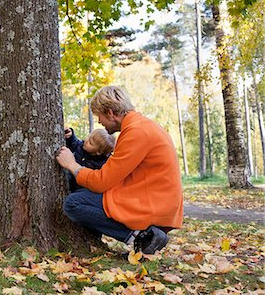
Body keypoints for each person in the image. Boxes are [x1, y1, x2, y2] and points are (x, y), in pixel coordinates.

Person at [56, 86, 183, 254]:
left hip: (151, 204)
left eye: (99, 116)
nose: (99, 121)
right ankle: (142, 235)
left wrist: (72, 165)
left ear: (110, 112)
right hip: (151, 198)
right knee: (85, 194)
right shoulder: (141, 126)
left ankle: (143, 236)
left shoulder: (136, 132)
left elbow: (102, 182)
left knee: (74, 203)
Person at [64, 127, 115, 192]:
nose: (86, 141)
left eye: (90, 143)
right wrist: (71, 135)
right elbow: (75, 142)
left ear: (98, 152)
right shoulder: (81, 146)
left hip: (81, 189)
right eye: (89, 137)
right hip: (70, 182)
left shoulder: (100, 164)